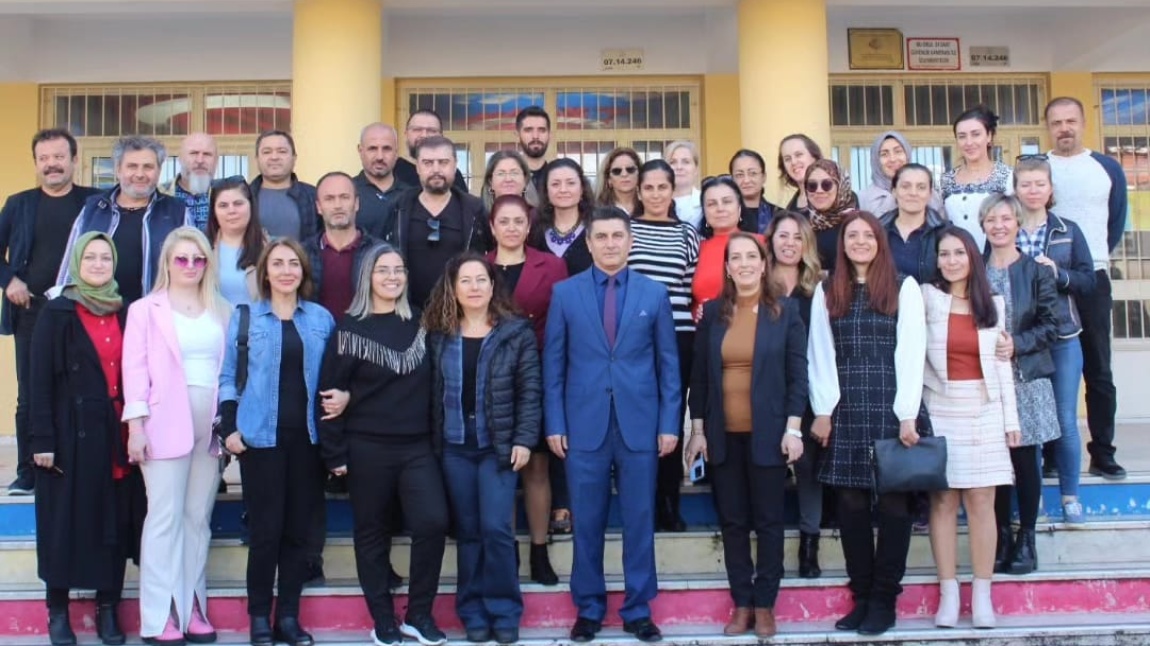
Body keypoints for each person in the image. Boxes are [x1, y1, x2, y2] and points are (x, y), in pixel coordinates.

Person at [543, 208, 681, 643]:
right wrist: (554, 422)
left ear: (630, 241)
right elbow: (554, 366)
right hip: (583, 425)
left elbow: (669, 365)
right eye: (600, 236)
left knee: (640, 520)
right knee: (587, 522)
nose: (609, 244)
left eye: (617, 236)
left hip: (640, 425)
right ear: (588, 243)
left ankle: (638, 610)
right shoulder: (565, 294)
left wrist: (669, 423)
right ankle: (589, 609)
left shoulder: (654, 293)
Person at [317, 243, 449, 646]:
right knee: (372, 532)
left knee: (433, 521)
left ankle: (419, 614)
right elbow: (329, 395)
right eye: (382, 270)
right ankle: (383, 620)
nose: (392, 277)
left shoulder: (423, 324)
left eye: (398, 270)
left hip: (417, 447)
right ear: (366, 277)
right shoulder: (348, 330)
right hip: (366, 447)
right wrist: (335, 453)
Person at [808, 211, 928, 636]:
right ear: (842, 244)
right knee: (851, 505)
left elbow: (912, 350)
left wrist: (907, 412)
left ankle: (884, 599)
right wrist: (824, 409)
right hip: (845, 405)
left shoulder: (903, 286)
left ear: (880, 241)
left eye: (868, 235)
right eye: (852, 235)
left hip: (891, 403)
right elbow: (819, 352)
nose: (860, 241)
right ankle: (861, 597)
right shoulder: (827, 290)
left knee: (895, 505)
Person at [686, 233, 808, 639]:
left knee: (770, 523)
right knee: (733, 523)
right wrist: (697, 432)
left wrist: (793, 429)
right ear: (727, 267)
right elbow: (700, 378)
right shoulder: (713, 313)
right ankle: (742, 604)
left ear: (763, 263)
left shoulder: (785, 311)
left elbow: (797, 376)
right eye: (735, 258)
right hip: (723, 437)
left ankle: (765, 605)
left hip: (769, 436)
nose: (743, 264)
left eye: (750, 257)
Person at [216, 239, 335, 646]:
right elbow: (228, 377)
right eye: (278, 264)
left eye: (293, 264)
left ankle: (287, 617)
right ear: (265, 272)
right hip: (260, 441)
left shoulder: (321, 319)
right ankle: (259, 619)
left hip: (308, 441)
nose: (286, 271)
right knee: (266, 532)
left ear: (303, 271)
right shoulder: (245, 317)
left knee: (298, 533)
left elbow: (335, 376)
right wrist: (228, 427)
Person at [425, 254, 541, 646]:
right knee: (469, 532)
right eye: (465, 280)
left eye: (481, 280)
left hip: (499, 448)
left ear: (493, 286)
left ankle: (505, 611)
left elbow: (530, 390)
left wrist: (524, 439)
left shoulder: (515, 332)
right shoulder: (438, 334)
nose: (474, 287)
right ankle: (472, 611)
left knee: (496, 529)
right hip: (455, 447)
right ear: (453, 288)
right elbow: (431, 394)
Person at [122, 227, 230, 645]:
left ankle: (192, 605)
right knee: (164, 517)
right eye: (181, 258)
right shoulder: (145, 310)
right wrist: (136, 427)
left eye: (198, 259)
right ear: (167, 263)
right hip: (164, 422)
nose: (190, 265)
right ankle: (160, 613)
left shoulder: (222, 309)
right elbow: (134, 370)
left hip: (210, 427)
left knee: (197, 518)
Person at [30, 232, 137, 646]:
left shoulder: (125, 310)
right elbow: (39, 381)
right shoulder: (57, 312)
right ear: (76, 263)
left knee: (113, 523)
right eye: (89, 257)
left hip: (115, 433)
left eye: (105, 258)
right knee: (62, 524)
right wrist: (42, 439)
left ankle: (108, 607)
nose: (97, 264)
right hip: (68, 434)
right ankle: (57, 611)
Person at [922, 226, 1021, 630]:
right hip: (940, 406)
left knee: (982, 502)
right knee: (943, 501)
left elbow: (1001, 363)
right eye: (944, 254)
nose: (951, 261)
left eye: (959, 253)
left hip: (984, 408)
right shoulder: (926, 297)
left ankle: (982, 594)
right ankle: (948, 593)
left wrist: (1011, 420)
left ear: (972, 258)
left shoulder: (992, 303)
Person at [1, 128, 100, 495]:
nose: (51, 165)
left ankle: (80, 465)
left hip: (82, 311)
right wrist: (9, 281)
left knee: (85, 389)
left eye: (59, 157)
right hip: (31, 311)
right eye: (44, 158)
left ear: (74, 160)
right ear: (36, 164)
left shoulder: (94, 202)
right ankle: (28, 471)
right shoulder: (19, 204)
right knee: (30, 392)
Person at [1044, 96, 1128, 480]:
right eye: (1057, 122)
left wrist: (1089, 259)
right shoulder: (1039, 167)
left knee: (1098, 370)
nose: (1064, 128)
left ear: (1082, 123)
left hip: (1092, 278)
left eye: (1071, 121)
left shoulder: (1106, 168)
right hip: (1048, 280)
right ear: (1048, 127)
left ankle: (1103, 453)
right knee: (1047, 369)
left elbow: (1115, 222)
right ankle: (1049, 454)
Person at [485, 194, 567, 585]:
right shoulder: (478, 266)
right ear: (492, 227)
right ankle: (506, 553)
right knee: (501, 466)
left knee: (536, 466)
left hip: (537, 373)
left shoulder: (551, 265)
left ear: (529, 225)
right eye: (504, 221)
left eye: (519, 221)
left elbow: (562, 322)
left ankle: (538, 549)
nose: (512, 228)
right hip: (492, 380)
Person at [1010, 156, 1097, 523]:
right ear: (1015, 189)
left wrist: (1058, 273)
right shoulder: (1006, 227)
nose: (1033, 191)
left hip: (1062, 336)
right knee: (1028, 422)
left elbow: (1088, 280)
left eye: (1039, 184)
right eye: (1025, 184)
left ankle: (1070, 495)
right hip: (1022, 340)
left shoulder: (1068, 230)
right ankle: (1032, 503)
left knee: (1064, 419)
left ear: (1050, 189)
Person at [979, 192, 1061, 575]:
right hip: (986, 380)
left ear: (1017, 224)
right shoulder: (974, 272)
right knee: (995, 461)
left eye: (1005, 219)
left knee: (1026, 460)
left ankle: (1027, 537)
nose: (999, 226)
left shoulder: (1036, 270)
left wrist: (1018, 344)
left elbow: (1051, 325)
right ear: (982, 225)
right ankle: (999, 536)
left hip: (1025, 376)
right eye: (991, 220)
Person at [630, 159, 700, 532]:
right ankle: (643, 501)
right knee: (639, 419)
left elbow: (690, 288)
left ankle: (669, 504)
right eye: (649, 187)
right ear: (639, 191)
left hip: (678, 335)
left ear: (673, 191)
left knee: (671, 419)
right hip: (634, 338)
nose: (656, 194)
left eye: (663, 187)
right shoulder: (625, 230)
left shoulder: (687, 234)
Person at [56, 136, 190, 306]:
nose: (140, 174)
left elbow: (192, 266)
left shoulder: (177, 212)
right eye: (132, 166)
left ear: (159, 170)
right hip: (96, 314)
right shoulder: (93, 209)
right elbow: (70, 267)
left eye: (148, 167)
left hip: (156, 314)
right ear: (118, 169)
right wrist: (61, 307)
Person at [764, 210, 824, 578]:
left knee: (808, 469)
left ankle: (809, 544)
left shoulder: (819, 290)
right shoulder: (756, 284)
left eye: (797, 237)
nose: (789, 243)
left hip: (808, 391)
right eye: (783, 236)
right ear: (771, 240)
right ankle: (769, 548)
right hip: (766, 392)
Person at [381, 135, 491, 306]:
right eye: (428, 163)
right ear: (417, 167)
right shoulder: (398, 207)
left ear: (455, 165)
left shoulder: (474, 209)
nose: (436, 169)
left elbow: (490, 255)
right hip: (408, 310)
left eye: (443, 162)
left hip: (461, 309)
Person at [303, 171, 381, 320]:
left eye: (344, 197)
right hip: (317, 333)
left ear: (356, 203)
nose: (337, 205)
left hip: (365, 332)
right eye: (329, 199)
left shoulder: (378, 253)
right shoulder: (302, 254)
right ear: (318, 207)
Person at [940, 106, 1012, 250]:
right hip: (956, 259)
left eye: (975, 134)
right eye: (962, 136)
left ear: (989, 136)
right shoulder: (946, 180)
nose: (969, 142)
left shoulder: (1008, 176)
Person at [692, 176, 762, 318]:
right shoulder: (696, 248)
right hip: (706, 328)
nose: (720, 208)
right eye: (712, 204)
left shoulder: (761, 243)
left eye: (727, 201)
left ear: (739, 206)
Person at [878, 164, 948, 285]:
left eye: (921, 187)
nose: (913, 193)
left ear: (930, 194)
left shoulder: (944, 232)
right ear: (894, 191)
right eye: (905, 186)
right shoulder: (877, 230)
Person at [528, 158, 595, 278]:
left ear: (582, 189)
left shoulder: (597, 227)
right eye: (555, 184)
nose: (563, 190)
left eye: (571, 183)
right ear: (546, 191)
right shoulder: (534, 230)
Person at [249, 130, 318, 241]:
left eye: (282, 151)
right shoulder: (244, 197)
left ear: (294, 158)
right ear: (257, 159)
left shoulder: (313, 196)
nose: (274, 157)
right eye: (267, 152)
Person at [206, 177, 264, 307]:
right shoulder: (203, 249)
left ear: (251, 205)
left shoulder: (269, 248)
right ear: (214, 211)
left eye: (238, 203)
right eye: (223, 205)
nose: (231, 211)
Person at [857, 131, 944, 217]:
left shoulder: (931, 195)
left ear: (907, 154)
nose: (892, 159)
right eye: (884, 154)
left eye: (898, 151)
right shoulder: (862, 199)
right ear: (876, 160)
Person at [800, 159, 858, 274]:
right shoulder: (800, 222)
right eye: (812, 185)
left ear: (840, 186)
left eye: (826, 185)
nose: (819, 191)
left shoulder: (856, 222)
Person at [354, 123, 409, 239]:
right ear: (360, 151)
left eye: (386, 149)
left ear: (396, 152)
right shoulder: (347, 194)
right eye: (372, 149)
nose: (380, 157)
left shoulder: (411, 195)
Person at [394, 109, 468, 193]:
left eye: (431, 130)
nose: (424, 135)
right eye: (417, 129)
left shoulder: (451, 174)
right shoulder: (392, 170)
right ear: (406, 134)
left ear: (441, 135)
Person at [166, 133, 219, 232]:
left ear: (216, 160)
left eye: (207, 154)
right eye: (193, 153)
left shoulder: (226, 196)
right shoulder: (159, 196)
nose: (200, 160)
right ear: (180, 158)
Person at [729, 149, 778, 234]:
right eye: (739, 175)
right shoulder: (724, 215)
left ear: (764, 177)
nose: (746, 180)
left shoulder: (779, 215)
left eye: (753, 173)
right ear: (732, 179)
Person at [777, 134, 823, 211]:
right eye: (787, 159)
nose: (793, 162)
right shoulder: (791, 207)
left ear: (814, 157)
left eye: (798, 155)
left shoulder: (834, 195)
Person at [665, 141, 703, 230]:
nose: (679, 167)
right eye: (673, 162)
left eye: (686, 162)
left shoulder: (705, 202)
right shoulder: (656, 201)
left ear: (696, 169)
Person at [515, 106, 551, 196]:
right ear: (517, 135)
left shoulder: (557, 177)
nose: (535, 136)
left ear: (549, 135)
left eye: (542, 130)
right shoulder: (508, 179)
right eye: (528, 130)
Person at [596, 147, 642, 216]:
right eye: (617, 171)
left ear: (639, 173)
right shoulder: (596, 211)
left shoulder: (649, 207)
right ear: (608, 179)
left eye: (630, 169)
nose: (624, 174)